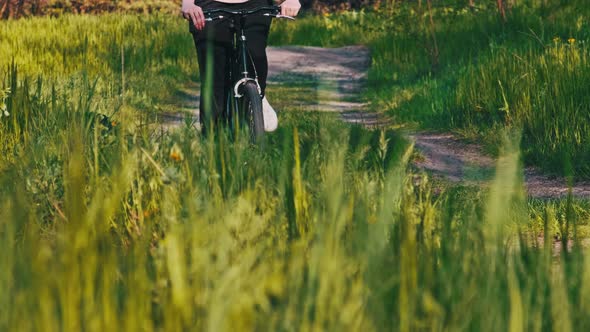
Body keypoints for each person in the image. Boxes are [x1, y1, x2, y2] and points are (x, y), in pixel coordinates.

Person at [182, 0, 301, 135]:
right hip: (210, 5)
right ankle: (212, 144)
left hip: (255, 4)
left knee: (255, 56)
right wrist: (188, 4)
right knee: (215, 80)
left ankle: (257, 98)